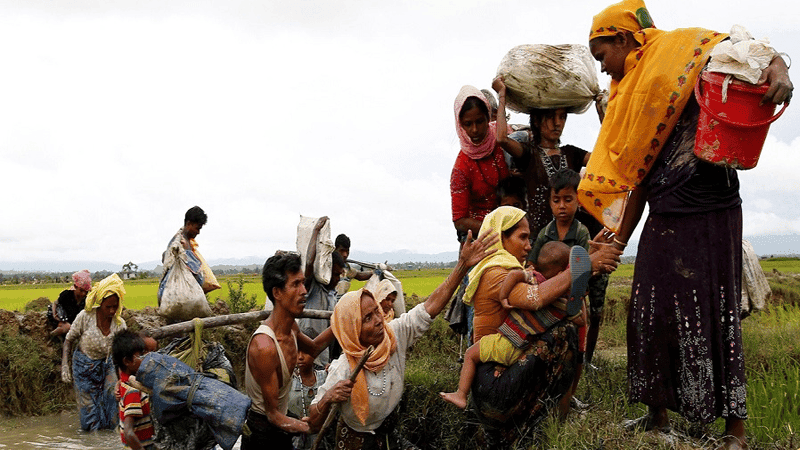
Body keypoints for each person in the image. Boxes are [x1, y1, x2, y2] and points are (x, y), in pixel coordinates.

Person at [580, 1, 792, 448]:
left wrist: (778, 70)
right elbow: (637, 174)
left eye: (603, 57)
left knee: (718, 312)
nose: (604, 71)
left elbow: (749, 49)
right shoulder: (628, 93)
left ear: (623, 38)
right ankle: (657, 416)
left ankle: (735, 431)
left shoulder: (686, 50)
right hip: (665, 211)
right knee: (650, 313)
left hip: (712, 208)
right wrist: (616, 239)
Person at [306, 230, 500, 449]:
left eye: (377, 311)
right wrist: (328, 397)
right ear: (353, 329)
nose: (379, 320)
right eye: (367, 318)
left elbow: (430, 307)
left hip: (387, 436)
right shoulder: (344, 369)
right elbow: (313, 423)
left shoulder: (394, 334)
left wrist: (462, 267)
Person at [460, 206, 619, 448]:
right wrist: (585, 262)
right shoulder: (496, 274)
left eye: (529, 238)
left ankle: (530, 428)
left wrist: (585, 260)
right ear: (500, 237)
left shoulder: (510, 270)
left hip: (495, 380)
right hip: (494, 387)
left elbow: (555, 290)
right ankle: (536, 428)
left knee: (560, 320)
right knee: (564, 332)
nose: (528, 245)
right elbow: (537, 297)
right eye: (522, 237)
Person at [439, 240, 585, 410]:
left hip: (507, 342)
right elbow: (580, 321)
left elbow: (514, 276)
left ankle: (461, 395)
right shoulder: (562, 303)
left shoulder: (534, 280)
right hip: (525, 349)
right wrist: (577, 296)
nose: (529, 245)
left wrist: (504, 294)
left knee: (471, 353)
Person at [243, 252, 337, 450]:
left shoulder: (291, 328)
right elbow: (273, 414)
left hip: (281, 426)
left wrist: (340, 321)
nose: (304, 291)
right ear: (277, 293)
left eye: (303, 283)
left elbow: (314, 348)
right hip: (262, 434)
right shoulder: (264, 347)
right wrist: (308, 427)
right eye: (296, 285)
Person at [61, 273, 127, 431]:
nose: (112, 310)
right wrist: (64, 365)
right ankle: (92, 441)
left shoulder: (120, 324)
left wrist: (122, 379)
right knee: (90, 413)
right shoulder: (85, 317)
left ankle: (110, 440)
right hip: (84, 366)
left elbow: (123, 353)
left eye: (115, 306)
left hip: (107, 365)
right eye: (108, 307)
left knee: (113, 400)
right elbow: (69, 340)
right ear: (100, 303)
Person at [450, 85, 511, 242]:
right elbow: (460, 220)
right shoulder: (461, 167)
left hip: (515, 225)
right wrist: (497, 229)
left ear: (488, 117)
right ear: (460, 124)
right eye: (468, 124)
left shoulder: (505, 137)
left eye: (480, 121)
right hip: (482, 236)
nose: (475, 130)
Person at [296, 217, 346, 366]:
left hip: (322, 359)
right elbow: (310, 263)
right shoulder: (314, 288)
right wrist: (316, 230)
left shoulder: (332, 295)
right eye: (336, 274)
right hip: (304, 357)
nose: (338, 279)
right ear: (327, 272)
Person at [158, 206, 219, 300]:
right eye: (197, 228)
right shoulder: (180, 242)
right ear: (189, 223)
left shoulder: (187, 241)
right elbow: (195, 273)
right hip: (174, 295)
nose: (198, 232)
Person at [112, 330, 155, 450]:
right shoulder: (133, 391)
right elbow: (128, 433)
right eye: (141, 355)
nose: (147, 358)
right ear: (127, 361)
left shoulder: (125, 381)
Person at [287, 350, 328, 450]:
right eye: (297, 352)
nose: (300, 357)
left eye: (305, 352)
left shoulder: (326, 377)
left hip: (324, 436)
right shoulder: (287, 380)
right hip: (294, 437)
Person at [48, 269, 92, 336]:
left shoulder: (85, 300)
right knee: (67, 327)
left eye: (86, 292)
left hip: (72, 321)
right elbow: (55, 303)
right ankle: (51, 336)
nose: (83, 294)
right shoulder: (66, 295)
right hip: (60, 318)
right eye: (81, 291)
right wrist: (55, 315)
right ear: (75, 287)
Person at [334, 234, 373, 299]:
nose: (345, 255)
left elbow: (359, 275)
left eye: (347, 251)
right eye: (342, 251)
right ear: (335, 249)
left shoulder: (346, 267)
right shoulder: (327, 265)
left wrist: (375, 272)